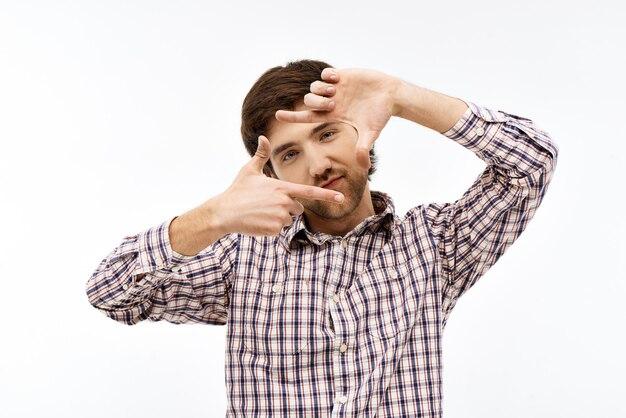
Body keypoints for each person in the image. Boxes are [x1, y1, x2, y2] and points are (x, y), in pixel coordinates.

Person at [86, 59, 558, 417]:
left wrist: (399, 95)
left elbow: (532, 161)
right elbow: (111, 293)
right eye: (291, 154)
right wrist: (212, 217)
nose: (317, 164)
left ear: (363, 131)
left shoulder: (435, 244)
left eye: (327, 133)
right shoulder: (242, 258)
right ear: (270, 172)